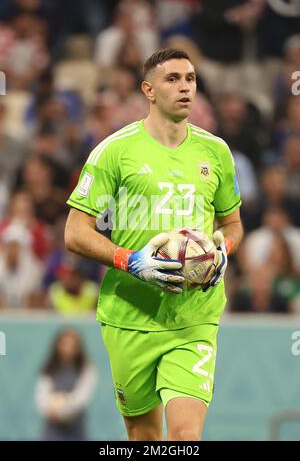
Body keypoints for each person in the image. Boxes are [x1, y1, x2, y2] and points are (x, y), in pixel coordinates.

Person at [64, 48, 243, 441]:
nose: (185, 87)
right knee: (145, 438)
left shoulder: (216, 152)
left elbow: (231, 224)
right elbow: (75, 233)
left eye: (191, 79)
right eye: (173, 79)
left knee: (184, 438)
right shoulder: (114, 151)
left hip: (194, 317)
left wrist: (223, 251)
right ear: (148, 89)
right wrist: (132, 261)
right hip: (129, 314)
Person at [35, 328, 97, 441]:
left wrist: (64, 411)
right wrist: (50, 410)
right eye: (64, 344)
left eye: (72, 345)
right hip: (51, 430)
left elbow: (82, 397)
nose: (68, 348)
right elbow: (42, 395)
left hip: (75, 429)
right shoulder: (49, 369)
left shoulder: (86, 369)